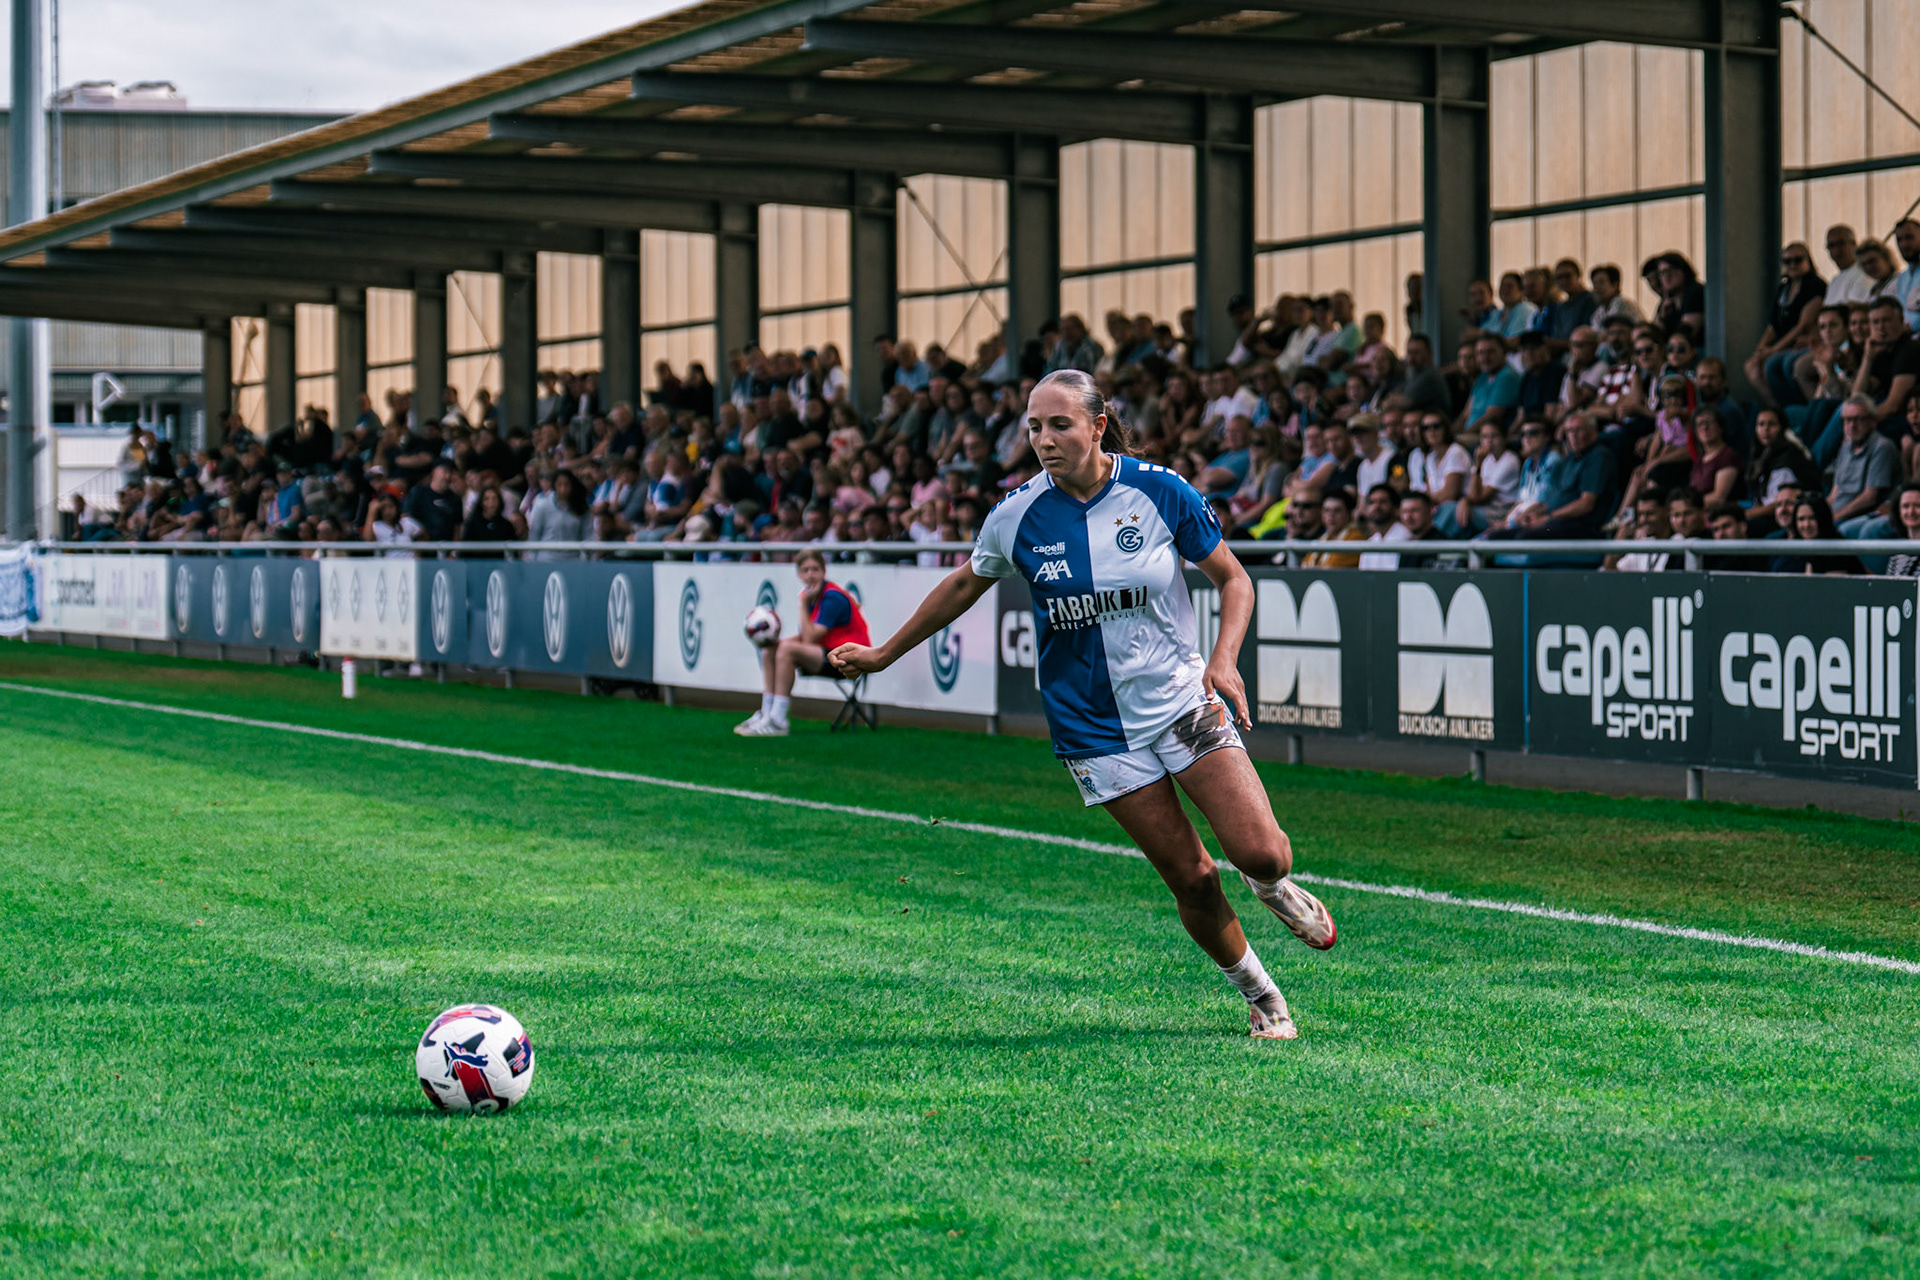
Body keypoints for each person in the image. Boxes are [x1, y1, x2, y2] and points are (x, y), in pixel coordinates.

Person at [827, 367, 1338, 1042]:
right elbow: (961, 585)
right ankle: (1263, 997)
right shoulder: (1016, 515)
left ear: (1099, 426)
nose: (1043, 438)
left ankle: (1271, 887)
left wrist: (1223, 660)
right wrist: (886, 653)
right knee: (1191, 877)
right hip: (1093, 728)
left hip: (1182, 699)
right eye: (1034, 426)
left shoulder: (1160, 491)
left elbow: (1234, 581)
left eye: (1059, 424)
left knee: (1264, 853)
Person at [735, 548, 870, 737]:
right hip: (830, 652)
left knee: (786, 650)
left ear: (824, 571)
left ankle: (779, 720)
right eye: (805, 570)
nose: (811, 575)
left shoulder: (831, 597)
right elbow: (810, 637)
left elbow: (808, 639)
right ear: (798, 573)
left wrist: (802, 604)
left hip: (850, 659)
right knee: (770, 649)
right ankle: (767, 713)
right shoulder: (814, 595)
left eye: (815, 569)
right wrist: (775, 644)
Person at [1769, 494, 1864, 575]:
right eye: (1801, 519)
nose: (1806, 525)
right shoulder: (1792, 551)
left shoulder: (1838, 552)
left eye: (1812, 518)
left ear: (1823, 519)